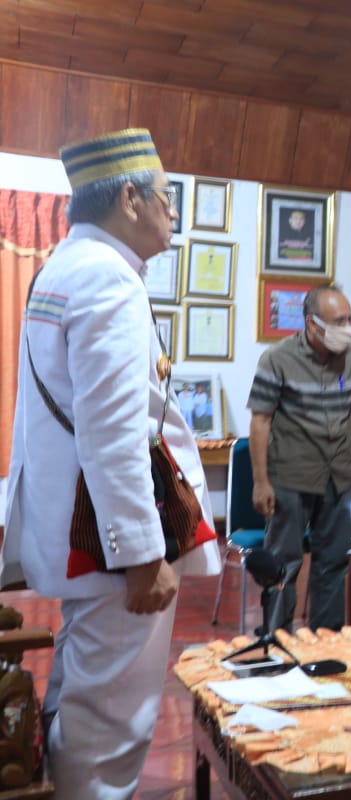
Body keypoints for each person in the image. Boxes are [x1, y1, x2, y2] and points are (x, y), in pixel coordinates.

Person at [1, 128, 222, 799]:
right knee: (111, 722)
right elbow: (114, 430)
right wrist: (140, 555)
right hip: (105, 545)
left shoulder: (65, 267)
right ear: (129, 198)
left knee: (82, 693)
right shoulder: (108, 279)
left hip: (77, 531)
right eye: (165, 196)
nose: (173, 211)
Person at [247, 285, 351, 633]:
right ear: (312, 324)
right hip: (291, 476)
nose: (347, 328)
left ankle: (325, 640)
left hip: (340, 477)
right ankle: (277, 638)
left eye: (349, 319)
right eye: (338, 321)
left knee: (333, 563)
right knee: (283, 564)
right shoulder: (277, 359)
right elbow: (260, 421)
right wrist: (260, 481)